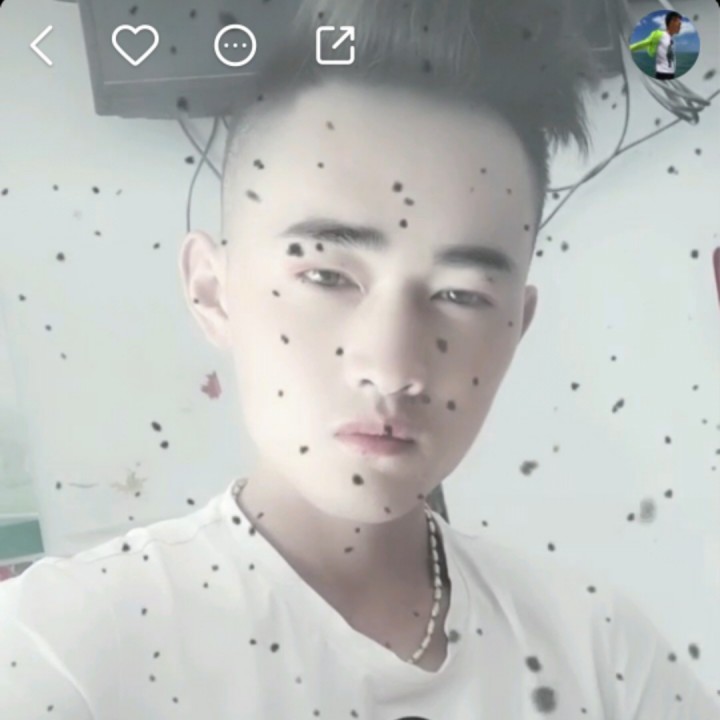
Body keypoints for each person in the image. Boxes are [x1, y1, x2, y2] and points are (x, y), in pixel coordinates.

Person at [1, 0, 718, 718]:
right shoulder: (65, 648)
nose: (394, 367)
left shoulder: (603, 654)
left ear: (516, 327)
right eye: (326, 276)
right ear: (213, 291)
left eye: (461, 295)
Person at [629, 10, 683, 80]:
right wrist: (628, 48)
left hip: (671, 73)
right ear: (672, 22)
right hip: (662, 73)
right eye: (679, 24)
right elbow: (643, 43)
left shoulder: (672, 39)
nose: (680, 27)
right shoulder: (659, 35)